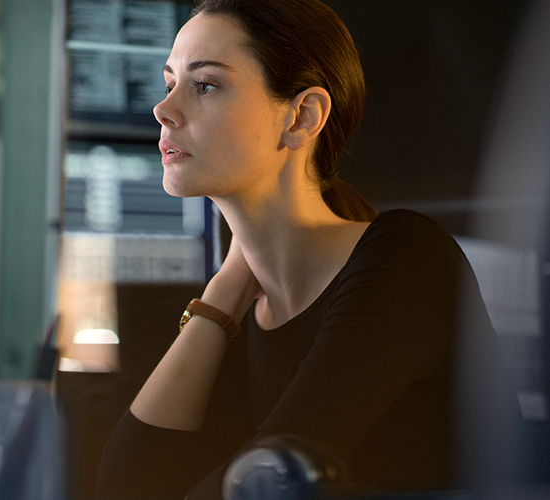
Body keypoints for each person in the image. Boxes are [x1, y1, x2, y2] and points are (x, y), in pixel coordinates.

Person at [95, 0, 520, 498]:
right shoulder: (235, 310)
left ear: (301, 116)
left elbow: (258, 487)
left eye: (205, 84)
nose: (162, 110)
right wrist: (225, 289)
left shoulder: (404, 259)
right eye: (170, 84)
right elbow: (123, 486)